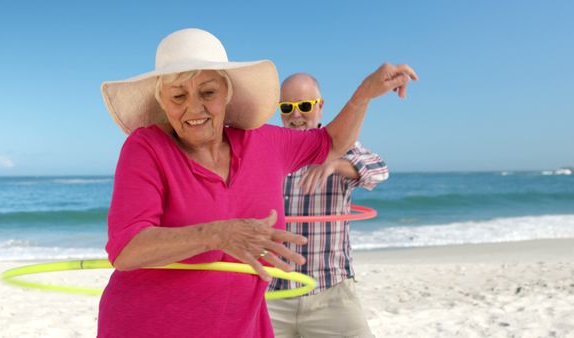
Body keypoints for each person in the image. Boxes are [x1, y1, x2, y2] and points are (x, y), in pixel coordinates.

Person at [98, 28, 417, 338]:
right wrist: (217, 234)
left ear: (227, 93)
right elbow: (127, 249)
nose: (194, 108)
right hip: (149, 327)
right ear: (163, 103)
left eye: (207, 92)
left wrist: (364, 95)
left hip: (240, 328)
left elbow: (330, 142)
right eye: (178, 96)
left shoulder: (263, 143)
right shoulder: (147, 148)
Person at [268, 73, 392, 338]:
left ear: (320, 105)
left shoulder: (339, 145)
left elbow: (379, 170)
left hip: (331, 292)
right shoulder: (270, 149)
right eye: (287, 107)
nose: (296, 115)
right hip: (273, 294)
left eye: (304, 106)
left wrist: (335, 164)